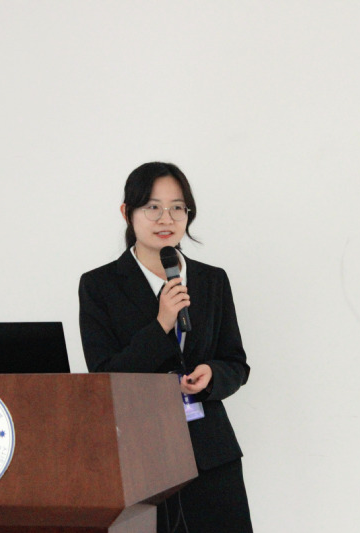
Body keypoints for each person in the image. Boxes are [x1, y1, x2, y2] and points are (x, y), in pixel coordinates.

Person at [78, 162, 253, 532]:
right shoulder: (99, 286)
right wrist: (161, 324)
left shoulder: (211, 280)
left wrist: (211, 375)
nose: (166, 218)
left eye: (177, 207)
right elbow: (104, 378)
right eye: (152, 207)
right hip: (138, 461)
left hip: (211, 455)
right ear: (127, 212)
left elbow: (236, 364)